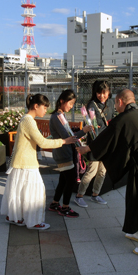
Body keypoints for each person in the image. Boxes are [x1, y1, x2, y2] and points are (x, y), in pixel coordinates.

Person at [77, 89, 138, 257]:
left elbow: (108, 137)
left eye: (115, 103)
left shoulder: (124, 118)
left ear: (120, 102)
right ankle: (136, 231)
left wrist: (87, 149)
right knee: (134, 197)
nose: (115, 107)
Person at [0, 94, 77, 230]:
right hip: (27, 164)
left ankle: (14, 217)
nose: (46, 110)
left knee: (19, 192)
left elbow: (39, 140)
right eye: (44, 107)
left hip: (21, 163)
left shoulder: (26, 119)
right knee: (34, 193)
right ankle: (33, 222)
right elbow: (42, 142)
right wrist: (64, 141)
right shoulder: (29, 121)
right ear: (36, 106)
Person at [49, 89, 92, 217]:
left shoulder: (60, 115)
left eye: (73, 104)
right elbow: (68, 137)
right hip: (63, 154)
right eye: (70, 103)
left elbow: (68, 136)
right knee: (70, 180)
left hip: (64, 152)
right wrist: (83, 131)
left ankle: (55, 203)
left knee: (63, 179)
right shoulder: (57, 117)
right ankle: (65, 207)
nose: (71, 106)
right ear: (62, 101)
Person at [75, 80, 115, 206]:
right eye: (99, 92)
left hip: (106, 142)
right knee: (92, 170)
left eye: (104, 93)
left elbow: (111, 120)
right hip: (95, 142)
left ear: (108, 92)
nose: (101, 95)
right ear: (95, 92)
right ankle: (79, 195)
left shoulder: (111, 103)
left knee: (102, 171)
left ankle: (95, 194)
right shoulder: (92, 105)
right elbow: (92, 125)